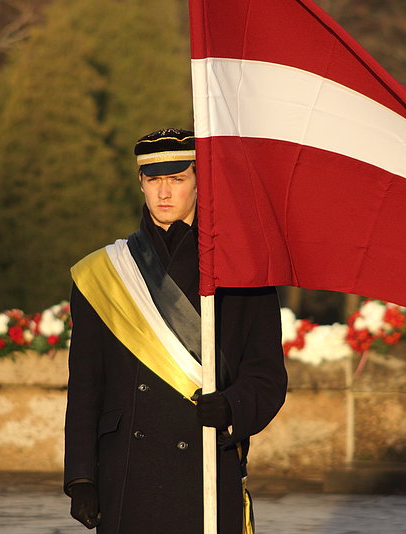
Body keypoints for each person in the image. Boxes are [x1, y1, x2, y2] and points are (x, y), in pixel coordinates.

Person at [63, 128, 287, 534]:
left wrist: (233, 406)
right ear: (141, 183)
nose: (164, 193)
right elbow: (85, 387)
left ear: (200, 181)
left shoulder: (243, 271)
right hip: (127, 472)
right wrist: (82, 478)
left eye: (177, 179)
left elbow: (267, 376)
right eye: (154, 180)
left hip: (206, 460)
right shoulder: (103, 273)